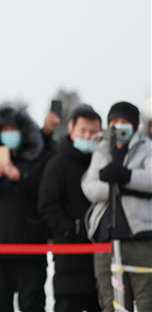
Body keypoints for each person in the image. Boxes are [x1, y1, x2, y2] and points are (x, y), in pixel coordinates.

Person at [0, 106, 51, 312]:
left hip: (29, 247)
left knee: (32, 303)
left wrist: (19, 177)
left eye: (14, 129)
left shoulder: (36, 161)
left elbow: (44, 191)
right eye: (4, 130)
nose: (9, 134)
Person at [82, 101, 152, 312]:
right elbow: (89, 187)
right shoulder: (101, 151)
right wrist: (119, 187)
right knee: (110, 302)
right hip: (106, 241)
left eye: (124, 122)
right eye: (114, 121)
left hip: (140, 238)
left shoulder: (147, 148)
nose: (118, 126)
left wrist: (127, 177)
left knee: (146, 299)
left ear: (134, 125)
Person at [37, 104, 102, 312]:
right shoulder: (57, 164)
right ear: (71, 130)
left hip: (101, 257)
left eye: (93, 132)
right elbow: (47, 204)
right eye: (83, 131)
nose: (88, 136)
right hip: (69, 256)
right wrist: (71, 228)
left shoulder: (103, 164)